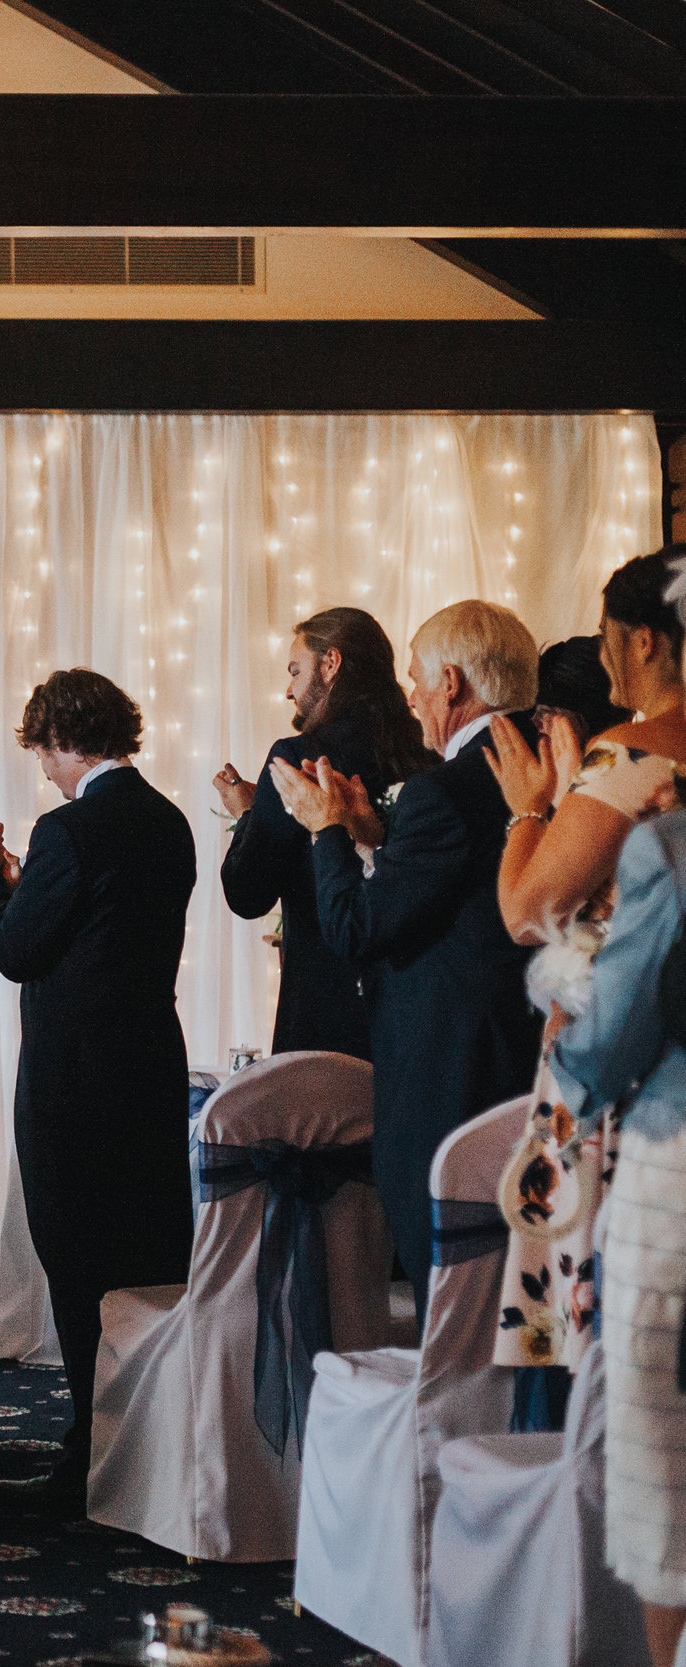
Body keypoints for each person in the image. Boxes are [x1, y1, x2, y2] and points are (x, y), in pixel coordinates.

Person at [0, 668, 195, 1517]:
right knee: (147, 1256)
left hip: (75, 1077)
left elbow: (16, 952)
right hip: (149, 1062)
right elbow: (108, 933)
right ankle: (154, 1441)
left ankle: (88, 1455)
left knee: (79, 1266)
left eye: (43, 752)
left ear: (64, 739)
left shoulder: (68, 826)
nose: (44, 772)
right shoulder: (170, 821)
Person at [277, 599, 543, 1316]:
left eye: (421, 679)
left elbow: (355, 928)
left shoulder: (442, 790)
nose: (414, 695)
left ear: (452, 682)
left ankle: (457, 1426)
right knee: (519, 1298)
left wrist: (326, 828)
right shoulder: (547, 768)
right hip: (522, 1060)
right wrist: (375, 834)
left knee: (452, 1301)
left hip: (446, 1074)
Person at [486, 551, 686, 1394]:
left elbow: (529, 908)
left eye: (610, 642)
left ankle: (567, 1472)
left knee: (577, 1303)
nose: (606, 664)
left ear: (644, 638)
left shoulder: (631, 753)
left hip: (613, 1040)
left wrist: (534, 805)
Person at [503, 806, 686, 1664]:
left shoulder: (662, 832)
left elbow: (611, 1038)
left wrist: (565, 1052)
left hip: (661, 1143)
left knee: (652, 1437)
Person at [213, 607, 433, 1058]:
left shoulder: (299, 758)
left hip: (323, 1007)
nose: (288, 690)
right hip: (413, 1001)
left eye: (296, 671)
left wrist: (249, 813)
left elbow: (247, 893)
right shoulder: (425, 751)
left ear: (330, 664)